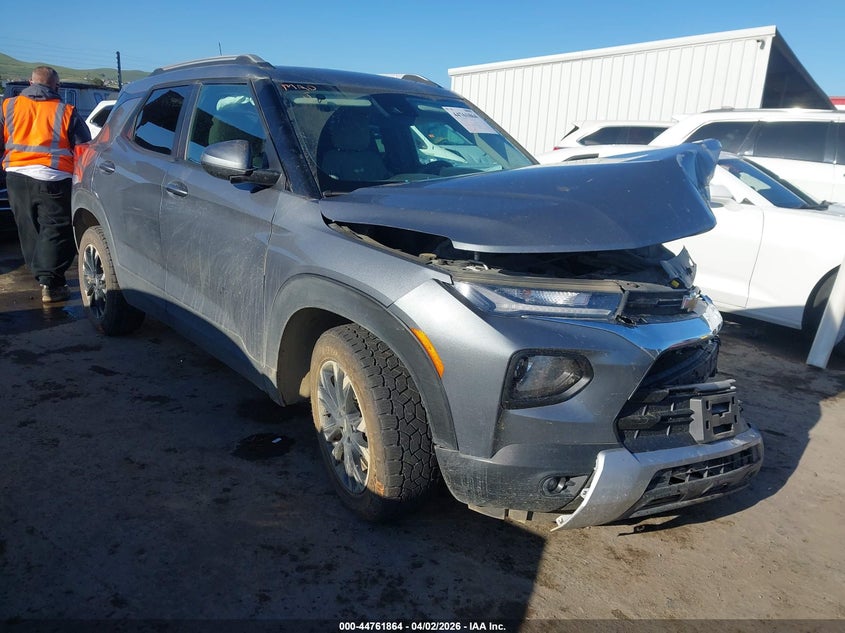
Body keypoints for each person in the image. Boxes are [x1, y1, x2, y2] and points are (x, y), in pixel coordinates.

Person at [0, 66, 91, 303]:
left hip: (15, 176)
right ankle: (50, 283)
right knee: (56, 229)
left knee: (28, 227)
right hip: (52, 178)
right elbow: (83, 145)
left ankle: (41, 275)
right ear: (56, 86)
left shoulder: (8, 106)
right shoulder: (65, 110)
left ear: (30, 83)